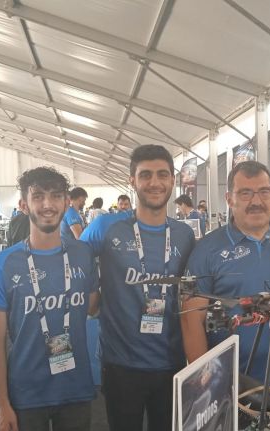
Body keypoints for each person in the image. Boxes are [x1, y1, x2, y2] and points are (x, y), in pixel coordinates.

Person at [80, 144, 195, 431]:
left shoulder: (184, 234)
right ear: (132, 180)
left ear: (172, 180)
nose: (154, 183)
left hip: (171, 361)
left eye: (162, 174)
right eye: (145, 175)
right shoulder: (105, 227)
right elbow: (74, 258)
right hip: (121, 363)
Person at [181, 161, 270, 388]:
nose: (256, 201)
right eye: (245, 193)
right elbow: (191, 321)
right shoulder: (207, 250)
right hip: (231, 386)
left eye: (264, 192)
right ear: (229, 199)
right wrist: (206, 386)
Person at [0, 166, 100, 431]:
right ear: (24, 205)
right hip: (26, 393)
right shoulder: (3, 264)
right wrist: (2, 404)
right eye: (38, 196)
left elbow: (92, 307)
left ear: (67, 203)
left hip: (76, 389)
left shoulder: (83, 255)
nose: (48, 204)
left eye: (56, 196)